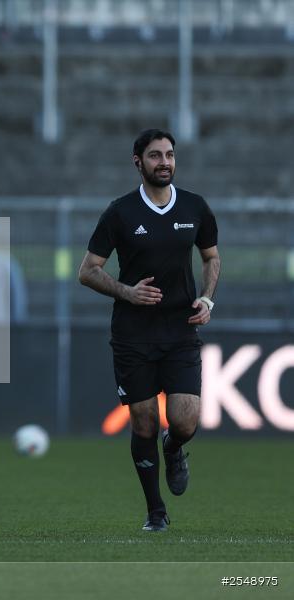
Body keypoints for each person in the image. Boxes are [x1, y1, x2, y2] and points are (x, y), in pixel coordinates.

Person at [78, 129, 220, 532]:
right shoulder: (120, 212)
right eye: (155, 155)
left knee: (185, 420)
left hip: (180, 330)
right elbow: (87, 271)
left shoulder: (195, 207)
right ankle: (156, 511)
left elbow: (211, 257)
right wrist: (127, 291)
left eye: (170, 155)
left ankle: (174, 448)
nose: (165, 162)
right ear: (137, 162)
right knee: (143, 422)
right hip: (132, 334)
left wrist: (207, 298)